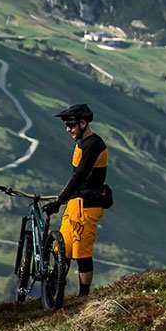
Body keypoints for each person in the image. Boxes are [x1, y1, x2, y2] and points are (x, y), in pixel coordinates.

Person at [48, 102, 110, 300]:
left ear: (83, 123)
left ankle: (83, 296)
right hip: (75, 203)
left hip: (88, 205)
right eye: (67, 125)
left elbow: (81, 175)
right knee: (62, 247)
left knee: (81, 250)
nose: (68, 130)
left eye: (72, 125)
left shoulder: (94, 145)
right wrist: (64, 199)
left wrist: (60, 199)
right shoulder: (82, 143)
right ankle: (56, 292)